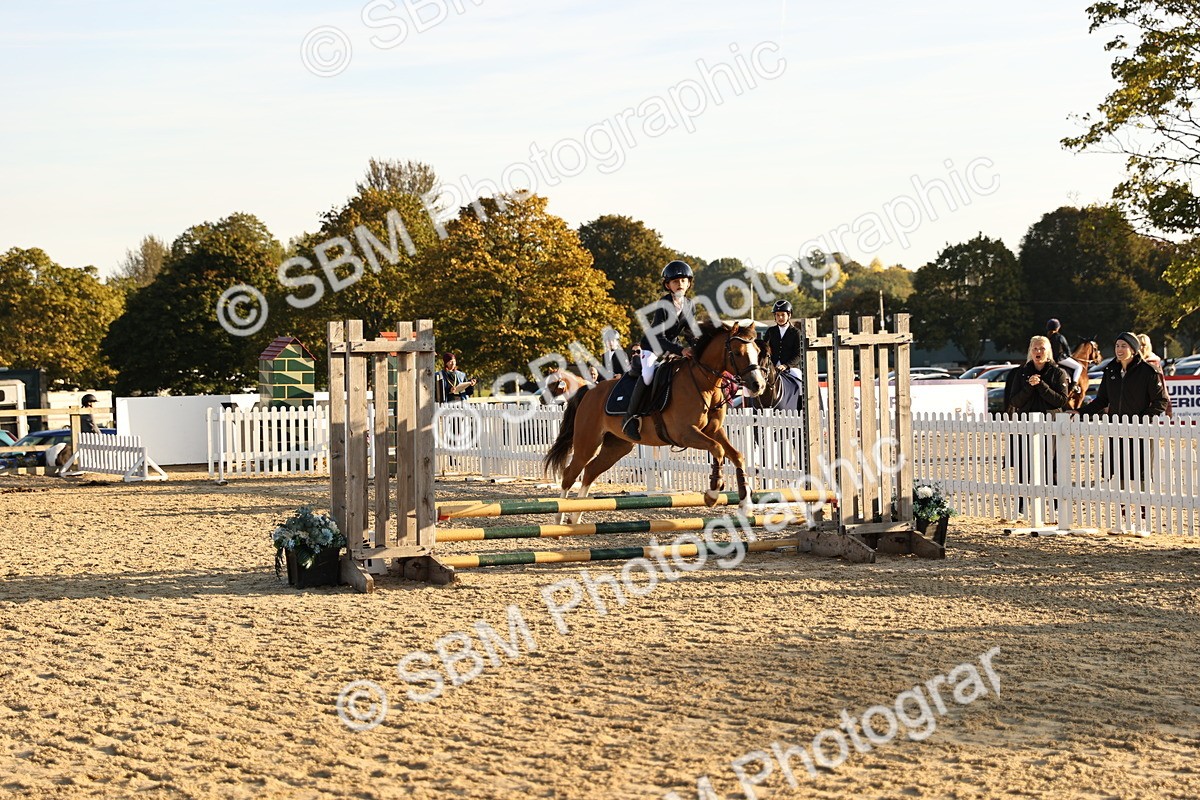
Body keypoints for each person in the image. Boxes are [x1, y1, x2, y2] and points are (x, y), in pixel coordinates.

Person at [622, 260, 698, 440]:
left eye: (683, 280)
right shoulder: (664, 303)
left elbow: (690, 333)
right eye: (675, 281)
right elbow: (658, 336)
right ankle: (630, 417)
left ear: (688, 283)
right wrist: (681, 350)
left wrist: (698, 346)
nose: (680, 284)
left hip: (672, 348)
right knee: (648, 375)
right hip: (652, 347)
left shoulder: (690, 305)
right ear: (668, 285)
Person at [1077, 332, 1170, 419]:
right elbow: (1101, 400)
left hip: (1140, 430)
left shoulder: (1148, 371)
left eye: (1123, 346)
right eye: (1117, 346)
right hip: (1114, 428)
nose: (1119, 349)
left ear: (1133, 350)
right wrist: (1079, 412)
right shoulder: (1110, 370)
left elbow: (1161, 401)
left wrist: (1142, 419)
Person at [1003, 337, 1069, 414]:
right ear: (1030, 351)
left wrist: (1041, 385)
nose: (1038, 351)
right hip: (1026, 421)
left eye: (1042, 348)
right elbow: (1014, 402)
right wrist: (1029, 386)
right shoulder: (1021, 373)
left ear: (1048, 351)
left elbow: (1062, 401)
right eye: (1035, 348)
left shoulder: (1058, 373)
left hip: (1051, 421)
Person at [761, 300, 802, 379]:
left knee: (798, 377)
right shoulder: (770, 331)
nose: (780, 318)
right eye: (777, 315)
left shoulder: (796, 333)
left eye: (783, 315)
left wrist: (786, 365)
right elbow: (764, 350)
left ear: (789, 315)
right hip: (771, 368)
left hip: (790, 368)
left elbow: (798, 354)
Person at [1046, 318, 1084, 394]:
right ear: (1058, 327)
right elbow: (1067, 350)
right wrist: (1070, 355)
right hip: (1060, 359)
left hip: (1050, 360)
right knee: (1079, 367)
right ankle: (1073, 385)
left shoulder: (1047, 338)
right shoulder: (1060, 337)